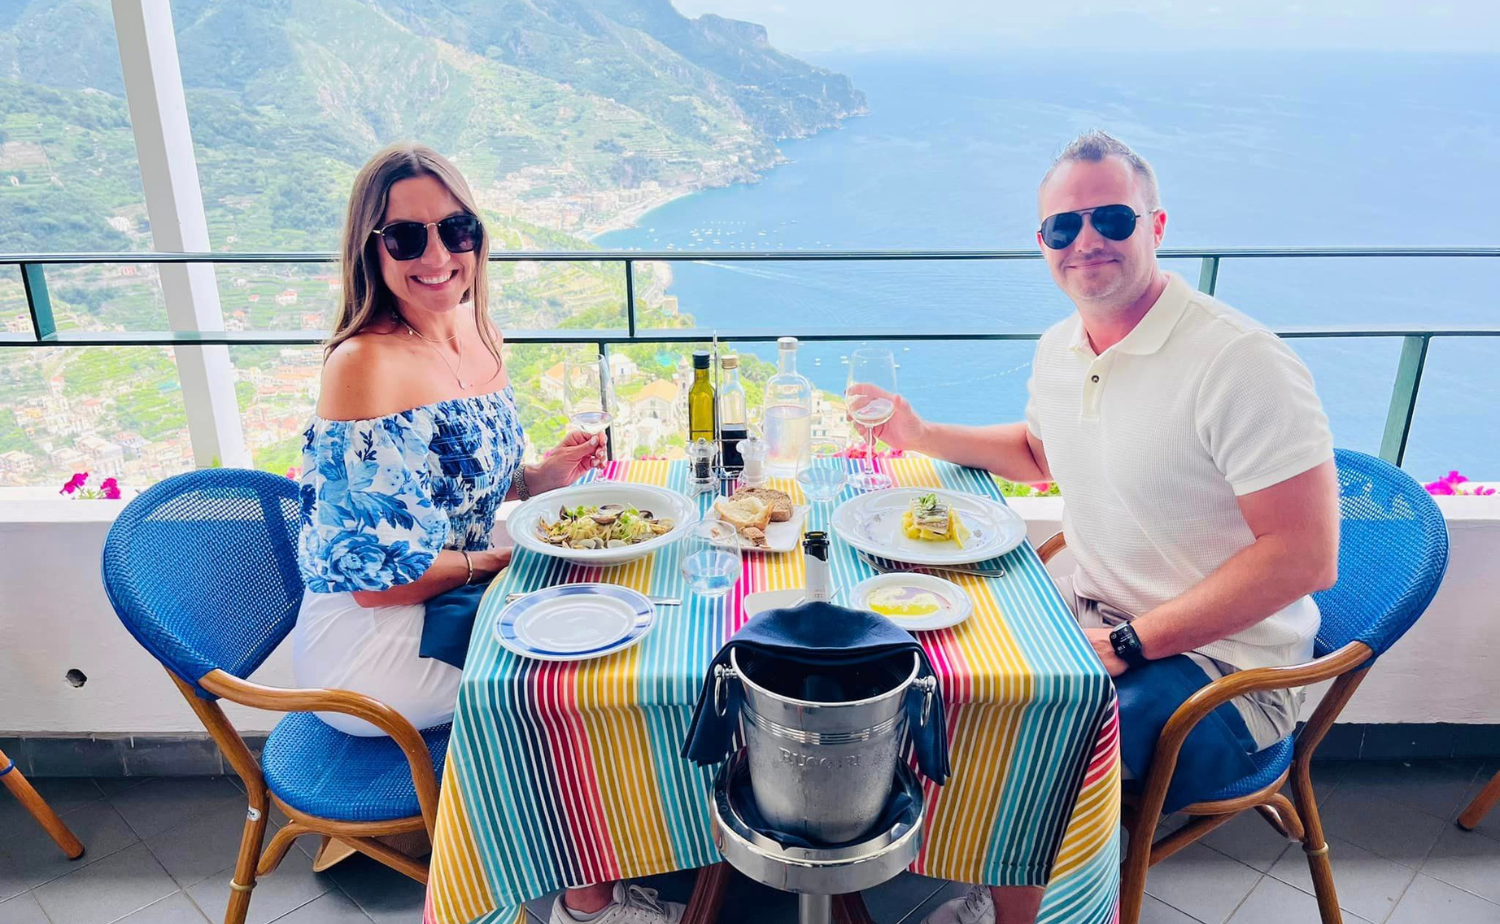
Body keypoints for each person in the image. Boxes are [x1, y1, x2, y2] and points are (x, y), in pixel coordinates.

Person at [859, 131, 1340, 924]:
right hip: (1087, 616)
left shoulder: (1239, 361)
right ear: (1042, 243)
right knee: (913, 663)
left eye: (1112, 219)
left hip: (1216, 673)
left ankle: (1030, 910)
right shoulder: (1062, 346)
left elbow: (1306, 555)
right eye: (1063, 227)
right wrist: (919, 434)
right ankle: (989, 870)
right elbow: (1039, 453)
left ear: (1155, 227)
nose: (1086, 241)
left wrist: (1128, 643)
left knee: (1023, 734)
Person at [296, 143, 680, 924]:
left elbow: (463, 477)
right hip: (375, 639)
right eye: (407, 238)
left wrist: (541, 480)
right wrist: (499, 557)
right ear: (371, 250)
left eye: (456, 230)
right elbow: (376, 584)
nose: (438, 256)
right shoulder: (363, 364)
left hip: (458, 580)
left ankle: (622, 849)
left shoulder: (471, 326)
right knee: (578, 684)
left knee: (638, 622)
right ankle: (586, 900)